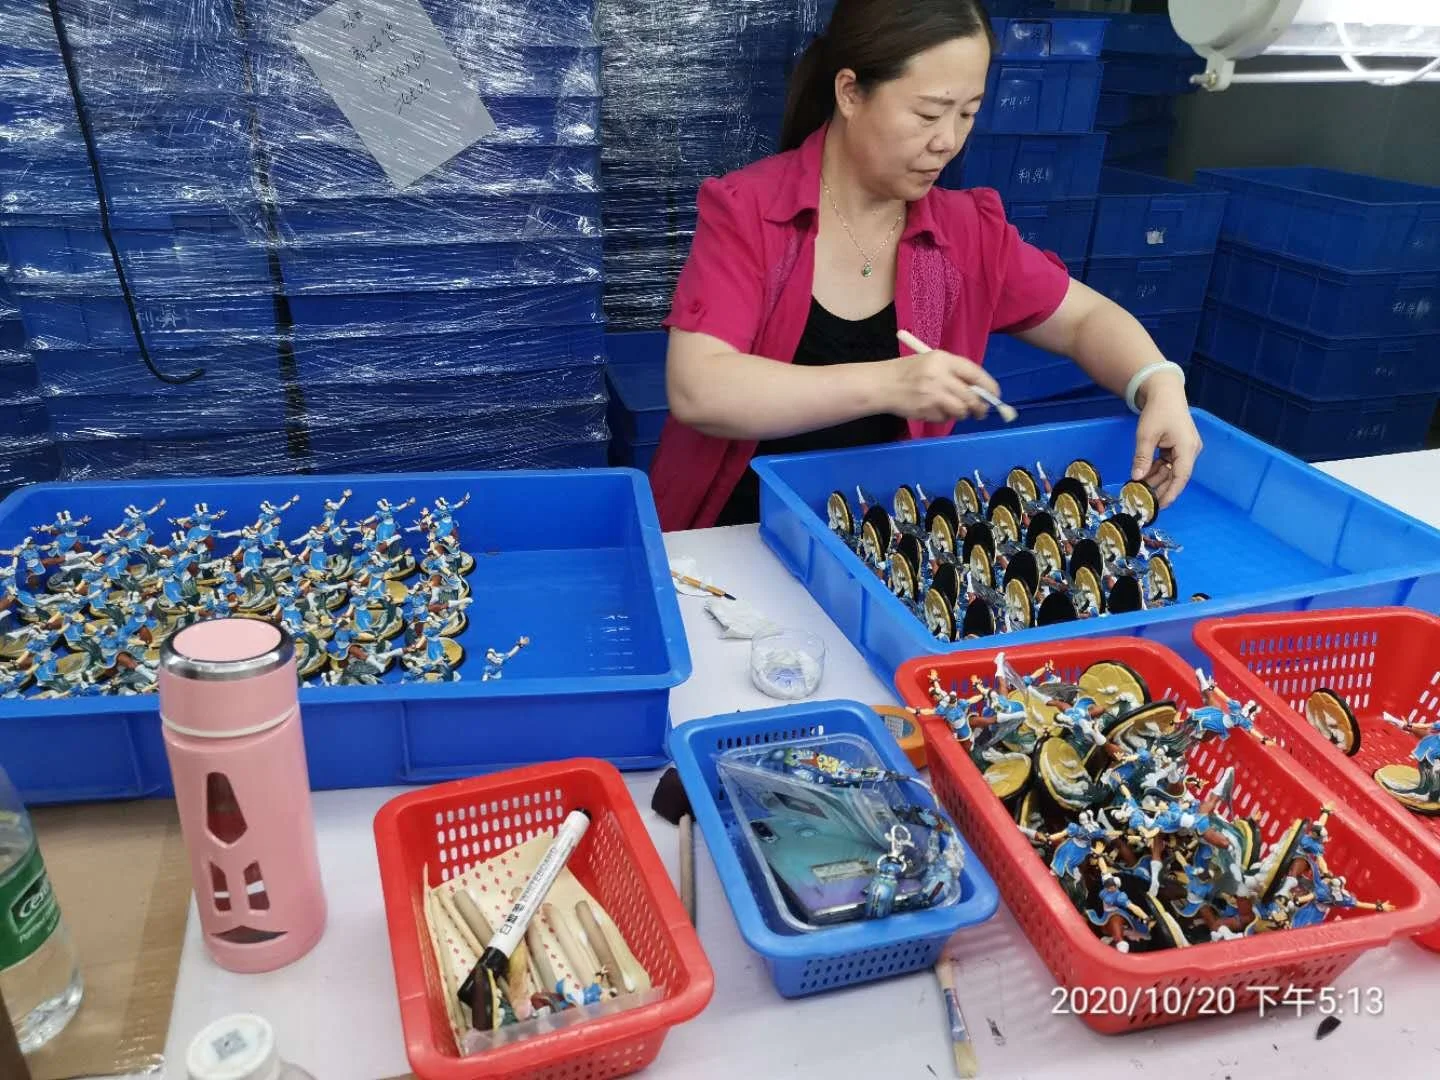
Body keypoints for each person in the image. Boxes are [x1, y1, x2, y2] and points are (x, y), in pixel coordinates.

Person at [650, 0, 1204, 530]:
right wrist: (891, 383)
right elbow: (702, 388)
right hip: (734, 541)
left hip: (879, 540)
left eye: (968, 114)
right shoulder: (750, 213)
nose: (948, 141)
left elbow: (1084, 319)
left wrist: (1159, 384)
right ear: (850, 92)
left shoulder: (965, 234)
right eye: (928, 113)